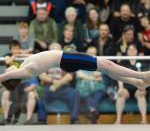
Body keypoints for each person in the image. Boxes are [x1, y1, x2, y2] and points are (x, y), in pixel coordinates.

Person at [0, 49, 150, 91]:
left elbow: (12, 67)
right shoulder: (24, 72)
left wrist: (12, 59)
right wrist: (4, 77)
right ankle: (142, 76)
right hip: (66, 59)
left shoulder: (23, 67)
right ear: (10, 77)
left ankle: (137, 83)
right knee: (108, 66)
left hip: (65, 60)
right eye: (6, 72)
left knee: (107, 69)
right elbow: (3, 78)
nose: (6, 69)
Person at [115, 44, 147, 124]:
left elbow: (145, 78)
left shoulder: (142, 62)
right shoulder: (123, 62)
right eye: (130, 50)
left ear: (136, 51)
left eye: (133, 50)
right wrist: (121, 88)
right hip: (126, 88)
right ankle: (118, 120)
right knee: (121, 94)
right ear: (127, 52)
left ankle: (144, 119)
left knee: (141, 93)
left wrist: (143, 88)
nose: (132, 51)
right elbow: (120, 76)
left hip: (139, 87)